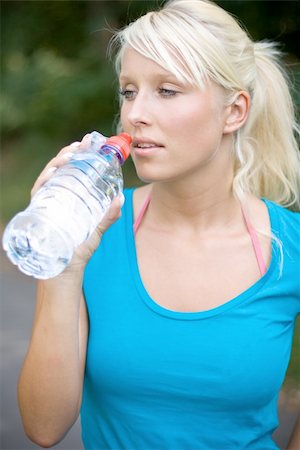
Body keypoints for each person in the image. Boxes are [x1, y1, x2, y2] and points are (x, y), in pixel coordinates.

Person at [17, 0, 300, 448]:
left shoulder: (292, 248)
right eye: (129, 91)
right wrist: (62, 264)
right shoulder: (95, 229)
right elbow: (43, 427)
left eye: (166, 90)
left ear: (234, 112)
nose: (134, 114)